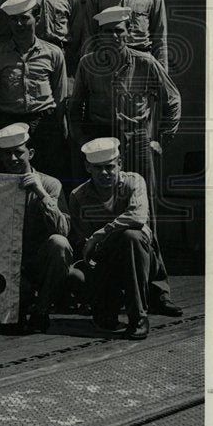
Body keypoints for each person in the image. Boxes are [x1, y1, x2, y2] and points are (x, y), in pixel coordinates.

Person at [69, 5, 182, 317]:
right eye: (108, 33)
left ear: (128, 33)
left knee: (145, 221)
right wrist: (83, 146)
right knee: (101, 213)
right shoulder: (88, 65)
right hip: (103, 144)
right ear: (99, 37)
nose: (114, 38)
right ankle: (108, 288)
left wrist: (161, 139)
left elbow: (172, 98)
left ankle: (157, 291)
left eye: (119, 31)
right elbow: (75, 109)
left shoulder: (144, 63)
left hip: (136, 142)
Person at [67, 137, 157, 340]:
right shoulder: (78, 196)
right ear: (87, 167)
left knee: (130, 236)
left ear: (120, 164)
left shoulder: (134, 182)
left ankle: (138, 318)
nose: (105, 172)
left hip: (138, 257)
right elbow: (83, 242)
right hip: (103, 259)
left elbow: (137, 216)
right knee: (80, 283)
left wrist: (100, 234)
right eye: (98, 168)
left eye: (109, 166)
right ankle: (105, 303)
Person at [0, 123, 72, 334]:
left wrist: (40, 193)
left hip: (38, 259)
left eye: (19, 153)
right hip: (8, 261)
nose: (13, 159)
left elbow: (63, 230)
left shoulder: (50, 184)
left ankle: (42, 310)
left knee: (59, 244)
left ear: (31, 153)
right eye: (6, 154)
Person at [0, 0, 67, 179]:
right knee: (9, 179)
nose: (19, 24)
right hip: (8, 122)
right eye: (13, 20)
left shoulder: (53, 53)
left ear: (37, 18)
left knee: (47, 175)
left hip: (43, 124)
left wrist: (60, 130)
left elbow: (60, 96)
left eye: (24, 18)